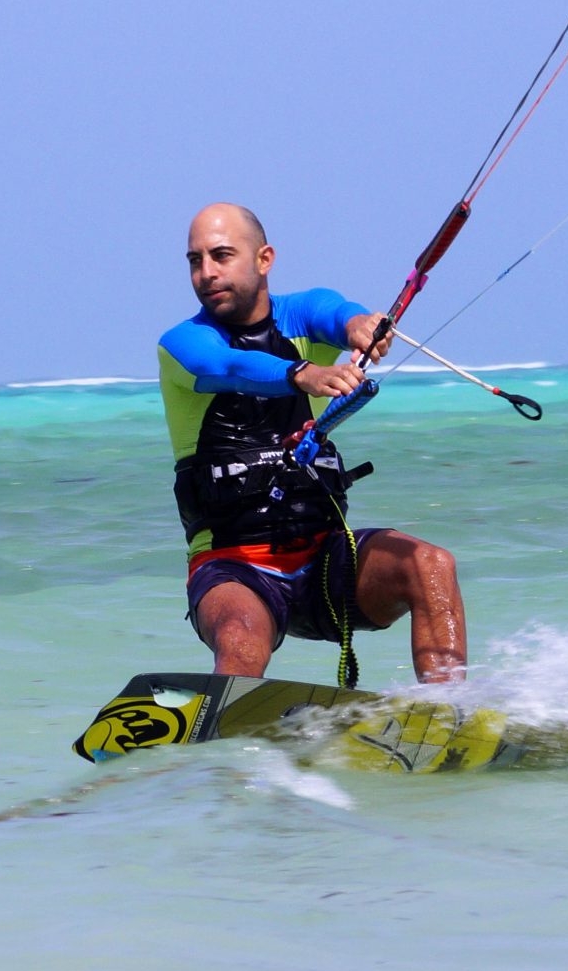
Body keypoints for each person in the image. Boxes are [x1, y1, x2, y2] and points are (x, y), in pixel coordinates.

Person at [157, 203, 469, 685]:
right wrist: (304, 373)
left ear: (264, 259)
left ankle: (449, 715)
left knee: (430, 565)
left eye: (221, 255)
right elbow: (229, 367)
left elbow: (333, 313)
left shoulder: (300, 315)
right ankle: (227, 751)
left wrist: (359, 327)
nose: (207, 272)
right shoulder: (183, 344)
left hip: (326, 563)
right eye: (195, 261)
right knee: (241, 637)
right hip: (235, 569)